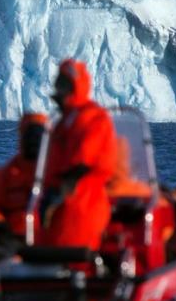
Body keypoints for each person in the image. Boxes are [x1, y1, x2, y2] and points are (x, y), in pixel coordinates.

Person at [40, 59, 119, 250]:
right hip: (63, 205)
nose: (58, 89)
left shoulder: (91, 116)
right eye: (58, 83)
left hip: (82, 204)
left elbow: (84, 162)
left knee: (74, 258)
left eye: (63, 84)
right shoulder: (67, 119)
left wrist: (58, 194)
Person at [0, 112, 48, 251]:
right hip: (14, 244)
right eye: (30, 135)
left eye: (37, 135)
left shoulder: (59, 171)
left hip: (53, 246)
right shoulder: (7, 174)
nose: (33, 140)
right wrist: (0, 227)